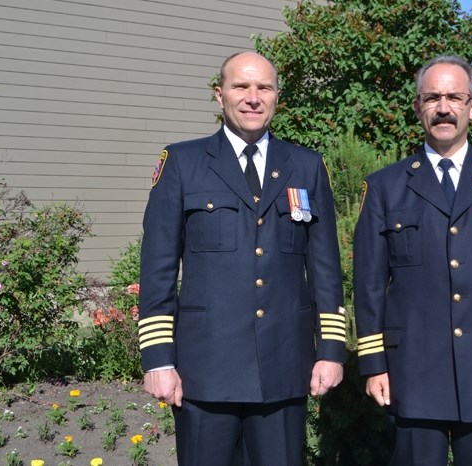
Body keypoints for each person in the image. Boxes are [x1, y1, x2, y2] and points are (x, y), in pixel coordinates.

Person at [138, 51, 346, 466]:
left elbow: (325, 267)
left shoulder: (306, 166)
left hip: (284, 367)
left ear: (276, 97)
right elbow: (158, 266)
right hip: (205, 369)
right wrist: (159, 358)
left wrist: (331, 351)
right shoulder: (182, 162)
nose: (253, 97)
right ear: (220, 95)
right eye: (241, 86)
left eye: (264, 87)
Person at [353, 54, 472, 465]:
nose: (443, 108)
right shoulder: (385, 187)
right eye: (432, 98)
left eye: (454, 97)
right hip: (411, 372)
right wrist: (374, 363)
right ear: (417, 108)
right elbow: (368, 284)